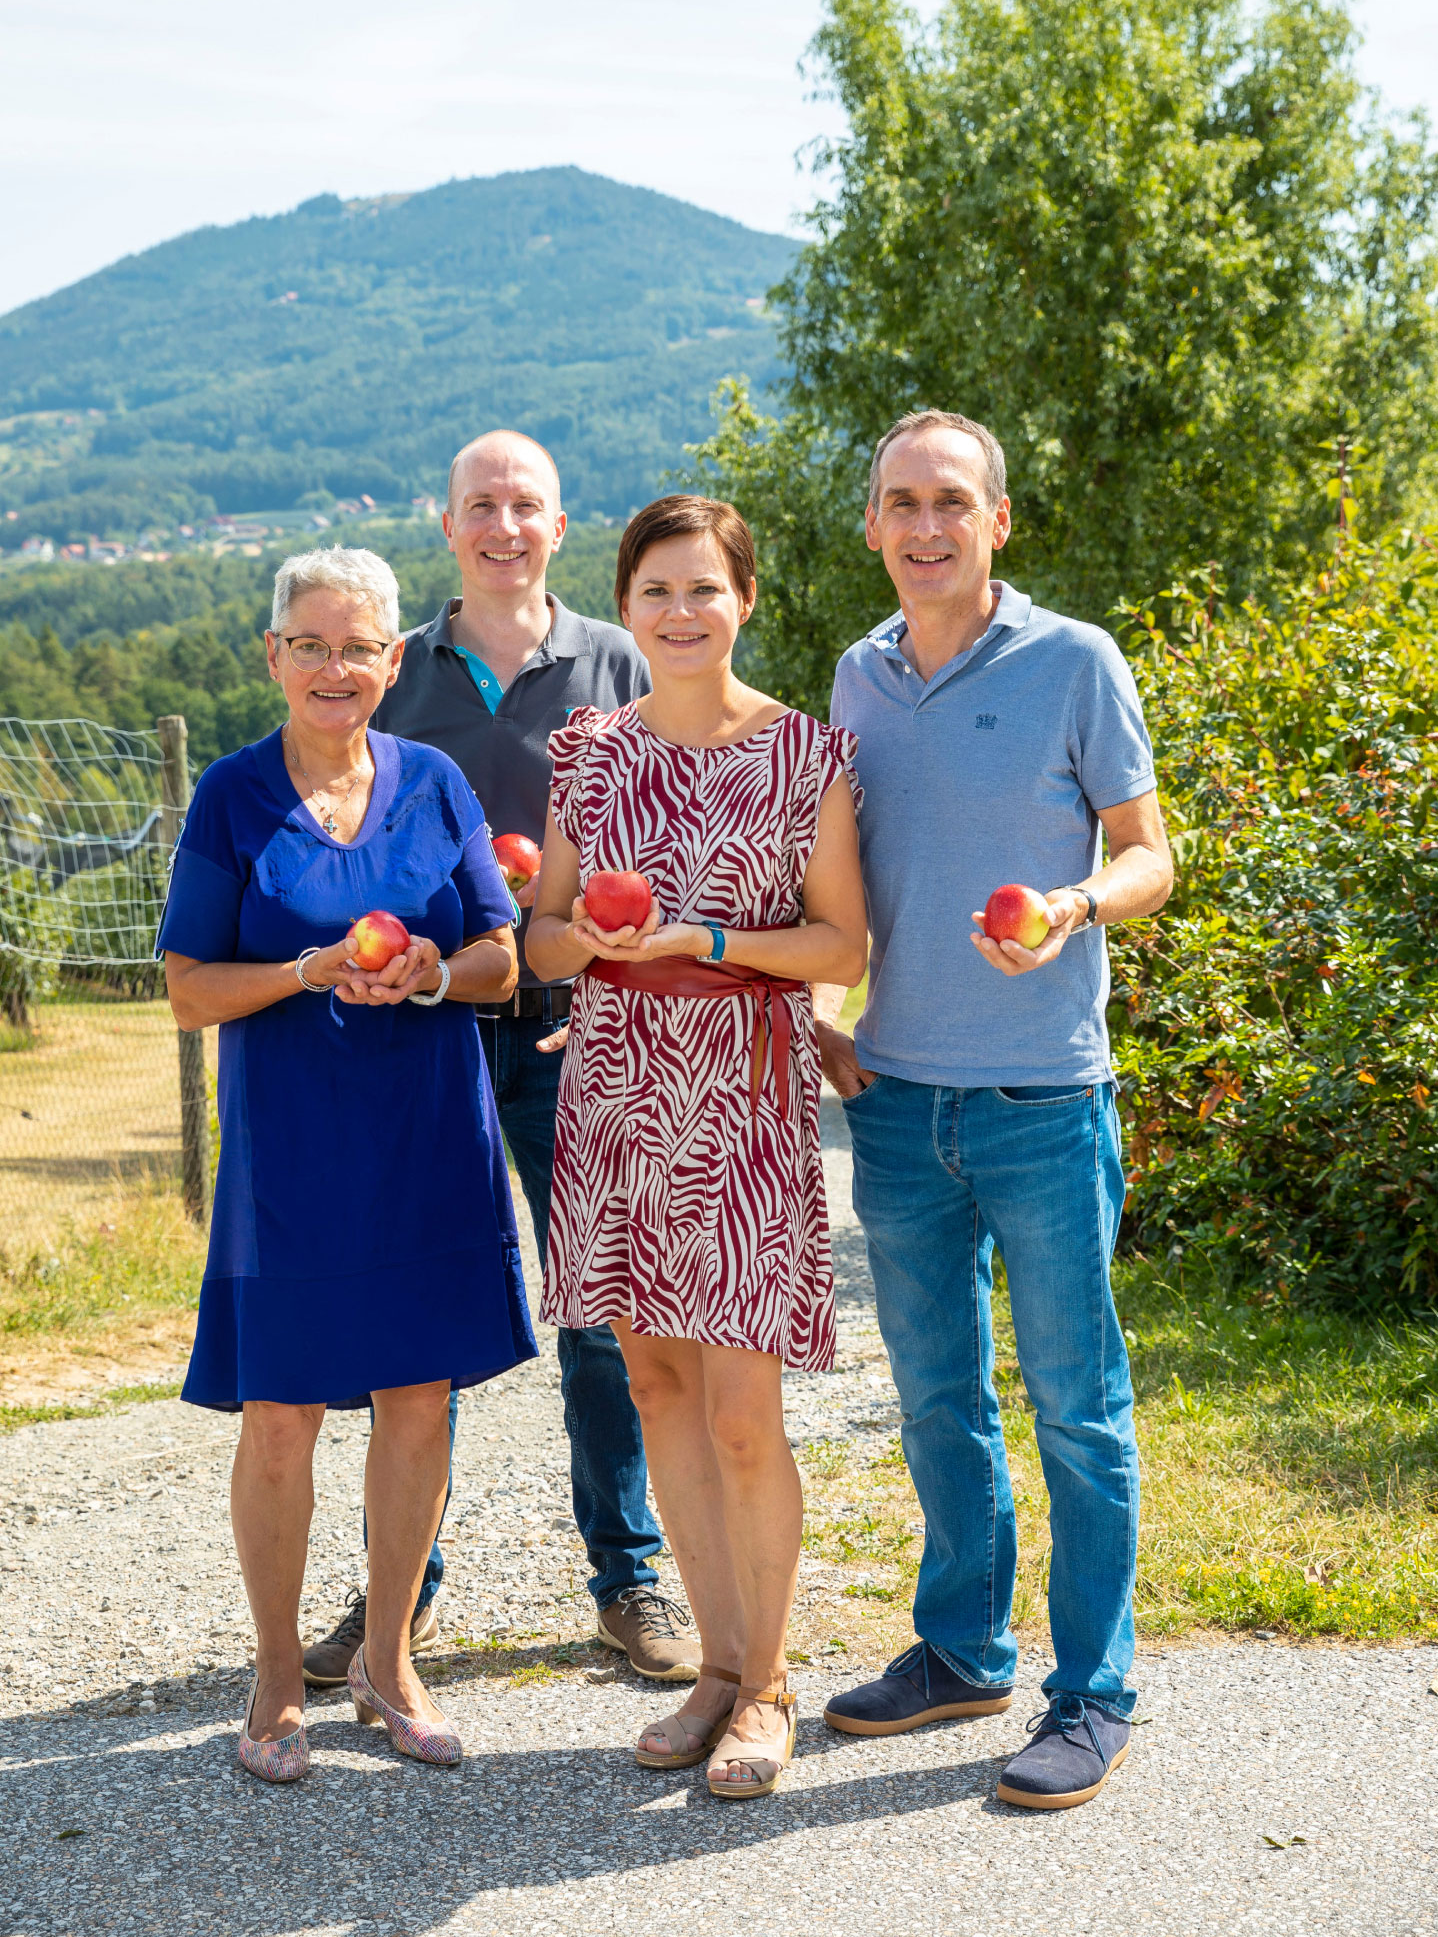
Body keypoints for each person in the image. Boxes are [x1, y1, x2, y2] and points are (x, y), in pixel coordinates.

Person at [817, 409, 1173, 1811]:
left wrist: (1076, 903)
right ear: (870, 528)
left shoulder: (1074, 662)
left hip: (1042, 1098)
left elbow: (1150, 853)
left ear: (997, 521)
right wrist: (824, 1017)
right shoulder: (854, 678)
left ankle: (1090, 1694)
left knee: (1077, 1411)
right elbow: (841, 885)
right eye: (900, 502)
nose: (924, 526)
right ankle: (963, 1648)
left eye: (950, 501)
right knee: (937, 1402)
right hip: (898, 1106)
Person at [304, 429, 698, 1690]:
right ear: (448, 524)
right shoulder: (391, 671)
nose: (504, 525)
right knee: (417, 1320)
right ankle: (397, 1594)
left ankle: (627, 1574)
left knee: (600, 1309)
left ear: (560, 526)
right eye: (483, 504)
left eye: (526, 503)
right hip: (421, 1037)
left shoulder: (626, 658)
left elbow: (677, 834)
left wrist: (626, 979)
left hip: (578, 1031)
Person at [160, 546, 534, 1782]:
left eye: (358, 646)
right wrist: (306, 971)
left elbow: (501, 957)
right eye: (309, 643)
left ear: (391, 660)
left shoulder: (431, 781)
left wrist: (429, 970)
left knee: (421, 1400)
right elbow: (187, 989)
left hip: (427, 1136)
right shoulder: (229, 793)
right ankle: (276, 1675)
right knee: (283, 1414)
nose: (335, 667)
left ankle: (388, 1659)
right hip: (295, 1157)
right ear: (273, 655)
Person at [526, 493, 868, 1798]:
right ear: (625, 607)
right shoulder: (588, 754)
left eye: (702, 590)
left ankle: (770, 1684)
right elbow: (544, 937)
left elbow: (838, 945)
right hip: (615, 1087)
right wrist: (589, 944)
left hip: (743, 1096)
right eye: (655, 591)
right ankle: (717, 1671)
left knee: (738, 1415)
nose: (679, 613)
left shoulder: (807, 755)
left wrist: (703, 940)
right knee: (657, 1390)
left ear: (745, 600)